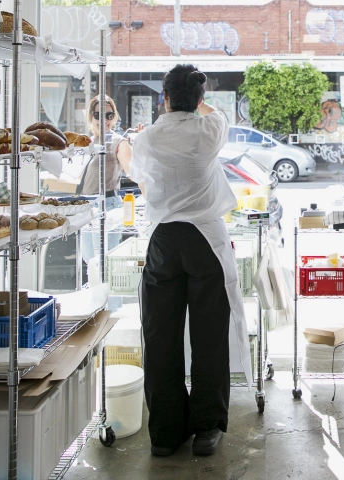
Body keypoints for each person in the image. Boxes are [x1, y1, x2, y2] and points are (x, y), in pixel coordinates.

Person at [129, 64, 251, 458]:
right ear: (199, 99)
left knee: (160, 337)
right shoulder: (209, 129)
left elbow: (139, 170)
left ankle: (165, 434)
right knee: (209, 337)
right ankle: (206, 429)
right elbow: (219, 115)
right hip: (205, 241)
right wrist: (199, 104)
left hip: (164, 240)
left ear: (163, 97)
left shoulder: (148, 137)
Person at [78, 95, 133, 262]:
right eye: (98, 115)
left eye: (109, 115)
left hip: (107, 205)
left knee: (105, 263)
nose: (104, 120)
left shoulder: (118, 142)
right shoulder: (89, 142)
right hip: (86, 207)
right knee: (90, 261)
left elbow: (133, 171)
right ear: (91, 116)